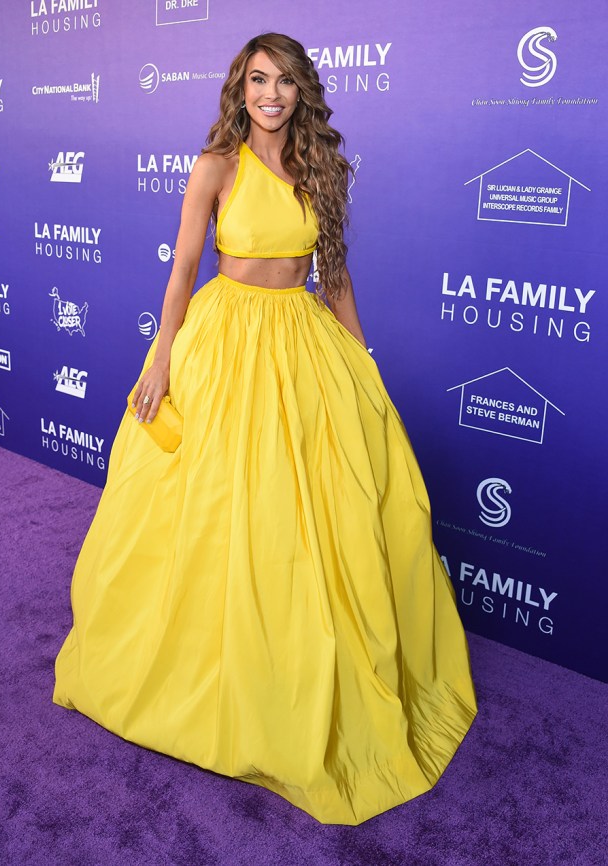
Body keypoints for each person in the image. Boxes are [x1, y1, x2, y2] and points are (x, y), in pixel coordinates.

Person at [53, 32, 478, 826]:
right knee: (216, 511)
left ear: (300, 91)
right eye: (257, 80)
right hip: (225, 345)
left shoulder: (322, 170)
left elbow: (336, 275)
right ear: (238, 89)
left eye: (284, 81)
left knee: (310, 519)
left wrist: (362, 362)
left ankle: (289, 670)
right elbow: (182, 272)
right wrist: (160, 360)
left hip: (303, 345)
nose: (270, 94)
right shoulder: (214, 166)